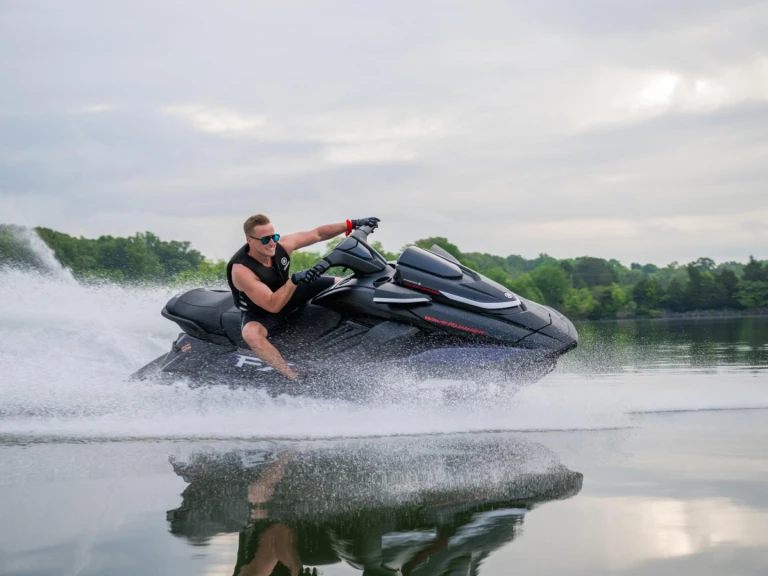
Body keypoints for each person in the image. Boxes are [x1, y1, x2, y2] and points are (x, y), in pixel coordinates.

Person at [226, 214, 379, 380]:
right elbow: (272, 305)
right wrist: (293, 281)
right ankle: (292, 377)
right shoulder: (241, 270)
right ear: (250, 240)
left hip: (289, 291)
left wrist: (351, 224)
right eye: (265, 239)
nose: (271, 243)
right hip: (262, 310)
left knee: (347, 284)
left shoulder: (282, 245)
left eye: (274, 237)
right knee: (251, 335)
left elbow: (318, 234)